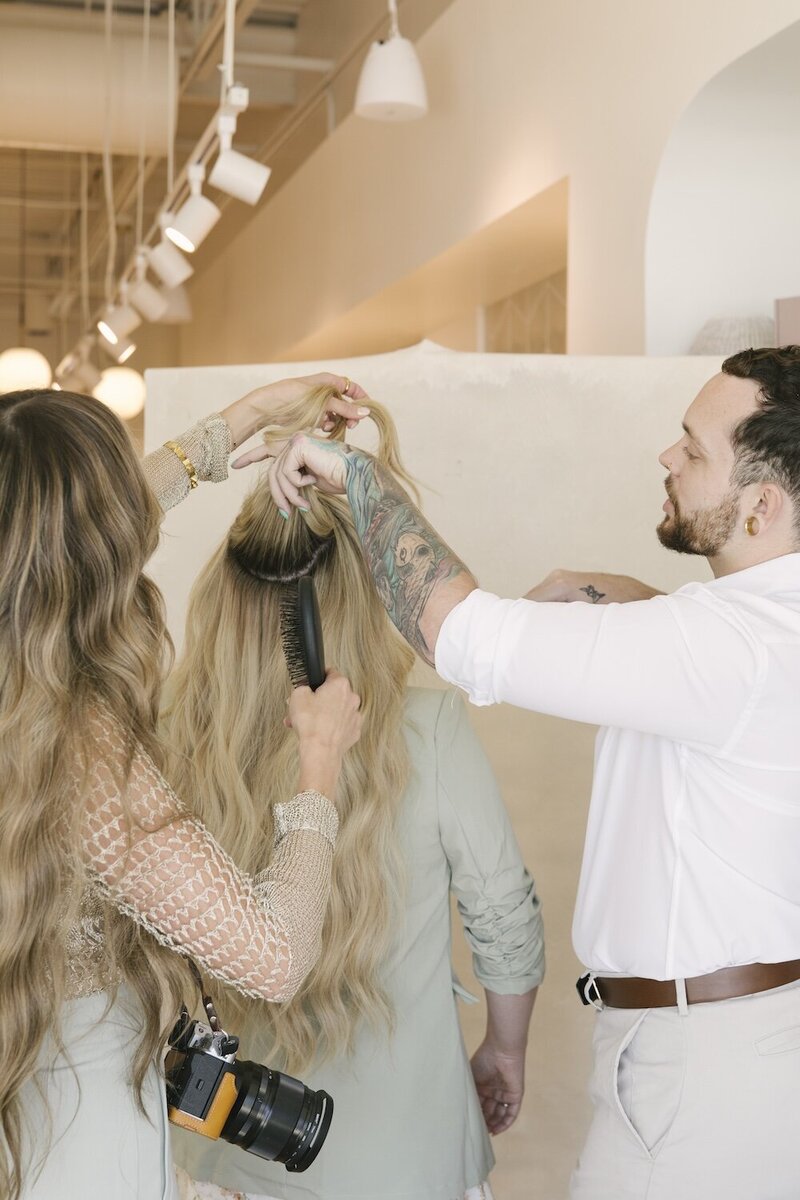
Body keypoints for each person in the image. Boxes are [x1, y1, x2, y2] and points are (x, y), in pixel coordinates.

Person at [262, 346, 800, 1199]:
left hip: (705, 1067)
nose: (668, 458)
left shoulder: (724, 645)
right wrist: (627, 603)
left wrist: (355, 481)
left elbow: (464, 638)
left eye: (695, 452)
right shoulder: (756, 634)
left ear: (763, 506)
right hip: (720, 1044)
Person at [163, 386, 544, 1200]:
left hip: (236, 1158)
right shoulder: (428, 726)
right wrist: (504, 1050)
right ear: (367, 590)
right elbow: (503, 916)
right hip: (408, 1158)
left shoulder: (176, 732)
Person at [0, 378, 365, 1200]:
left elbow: (61, 536)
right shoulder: (78, 750)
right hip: (74, 1118)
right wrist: (319, 763)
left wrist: (225, 432)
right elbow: (273, 958)